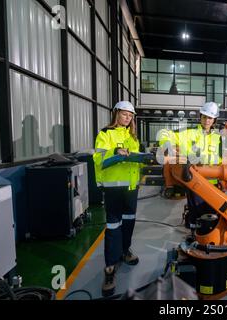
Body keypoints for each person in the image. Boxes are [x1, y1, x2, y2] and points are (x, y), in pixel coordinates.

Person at [93, 101, 141, 297]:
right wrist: (115, 151)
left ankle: (125, 250)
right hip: (113, 188)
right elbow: (98, 157)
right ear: (116, 114)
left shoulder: (132, 136)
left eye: (130, 116)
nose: (127, 118)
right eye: (124, 114)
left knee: (129, 222)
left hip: (131, 187)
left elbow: (135, 158)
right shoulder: (105, 133)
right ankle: (110, 268)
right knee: (113, 227)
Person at [177, 102, 222, 232]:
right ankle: (194, 237)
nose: (207, 121)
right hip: (194, 181)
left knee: (210, 213)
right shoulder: (189, 133)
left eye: (210, 118)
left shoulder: (218, 137)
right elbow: (168, 138)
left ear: (214, 120)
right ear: (200, 117)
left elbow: (220, 158)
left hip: (211, 182)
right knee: (195, 212)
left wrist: (206, 160)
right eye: (204, 117)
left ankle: (208, 238)